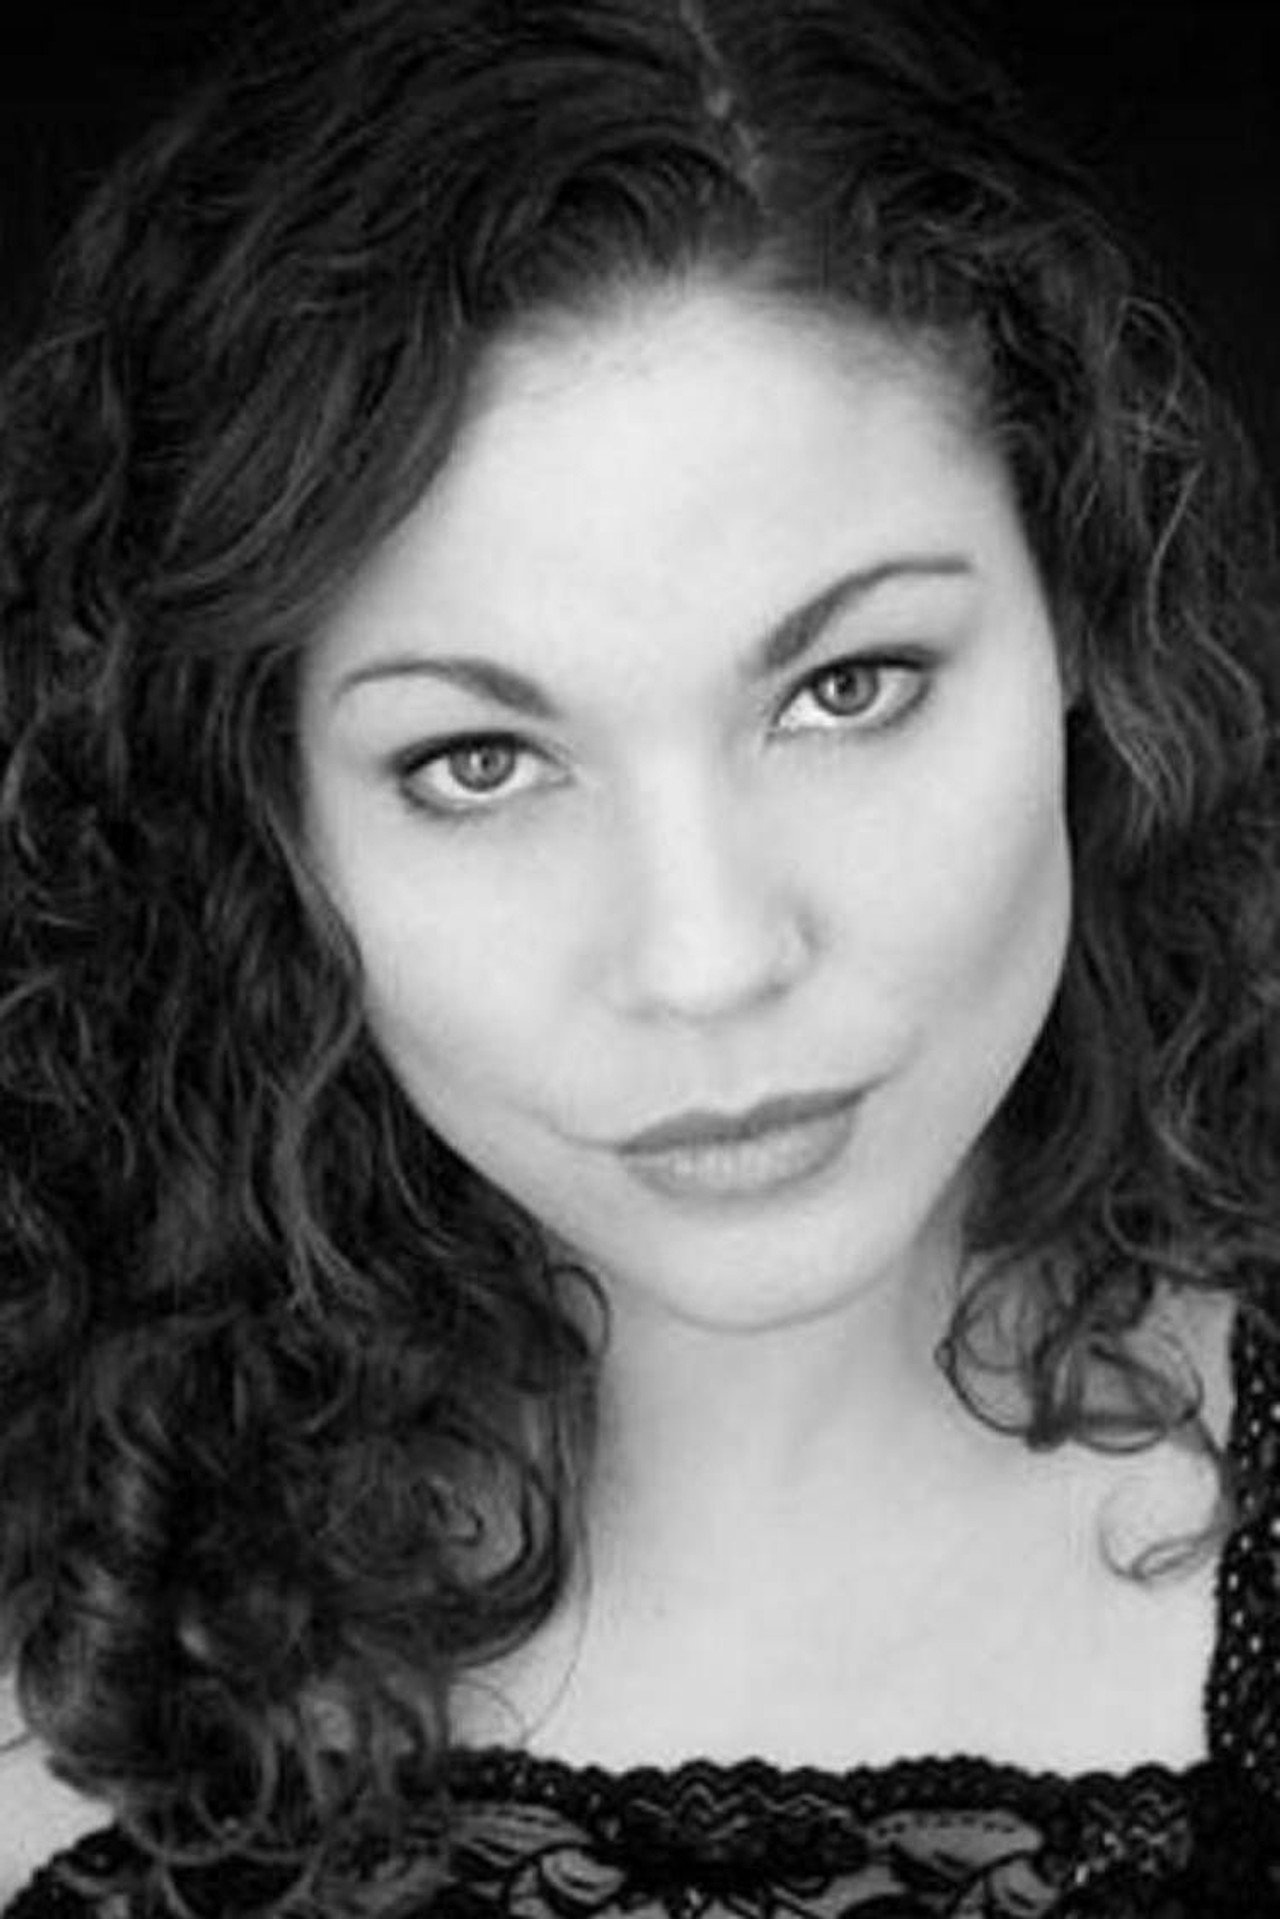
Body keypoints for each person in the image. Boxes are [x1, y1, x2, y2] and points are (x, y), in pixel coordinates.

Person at [1, 0, 1278, 1911]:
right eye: (478, 761)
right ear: (263, 814)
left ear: (1088, 629)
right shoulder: (40, 1685)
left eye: (849, 686)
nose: (706, 958)